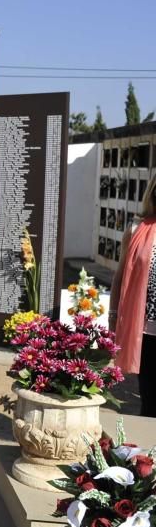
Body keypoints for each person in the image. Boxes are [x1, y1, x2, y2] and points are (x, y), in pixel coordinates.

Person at [109, 177, 156, 417]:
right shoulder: (137, 230)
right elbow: (119, 278)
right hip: (149, 334)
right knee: (150, 401)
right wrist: (113, 316)